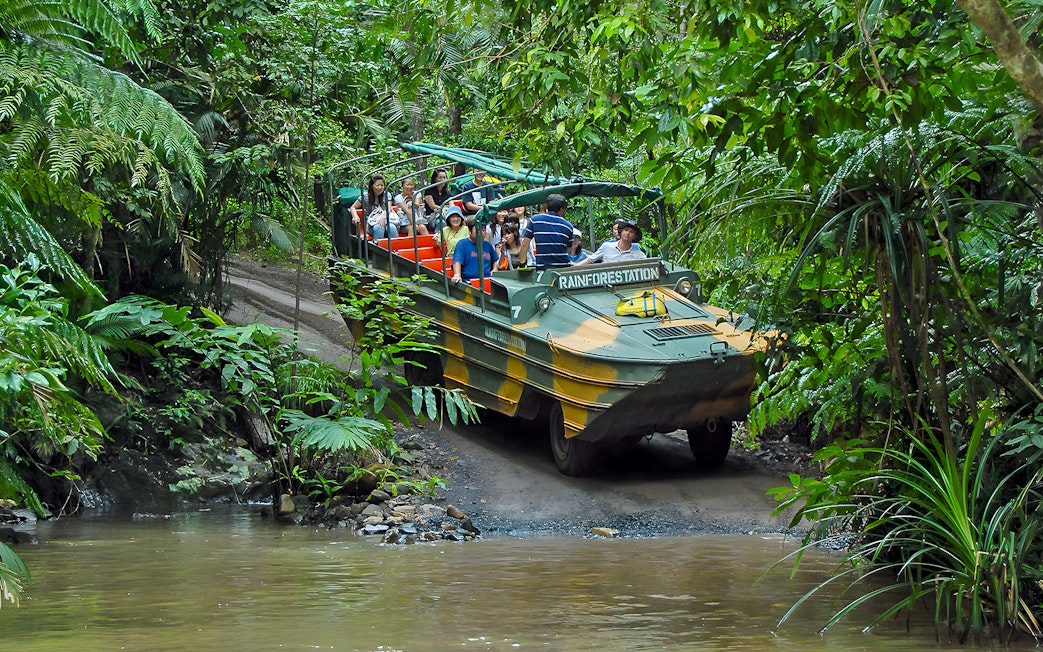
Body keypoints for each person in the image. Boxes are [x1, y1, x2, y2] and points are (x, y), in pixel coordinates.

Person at [520, 193, 575, 270]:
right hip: (563, 269)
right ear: (561, 209)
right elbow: (569, 249)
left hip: (543, 268)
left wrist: (522, 264)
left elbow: (525, 244)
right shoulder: (568, 226)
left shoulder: (535, 220)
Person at [351, 174, 398, 239]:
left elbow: (388, 209)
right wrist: (355, 216)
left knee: (391, 227)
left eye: (382, 185)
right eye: (377, 185)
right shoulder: (365, 196)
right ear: (372, 186)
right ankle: (379, 247)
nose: (380, 188)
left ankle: (395, 247)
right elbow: (353, 207)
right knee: (379, 228)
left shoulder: (386, 195)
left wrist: (384, 216)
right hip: (372, 223)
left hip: (387, 220)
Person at [579, 220, 646, 264]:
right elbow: (591, 259)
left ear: (635, 236)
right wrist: (576, 266)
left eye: (631, 232)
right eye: (626, 230)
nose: (627, 233)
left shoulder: (639, 256)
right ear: (621, 231)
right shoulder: (606, 246)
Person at [451, 219, 497, 283]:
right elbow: (457, 261)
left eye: (483, 230)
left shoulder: (488, 245)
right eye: (477, 230)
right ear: (470, 231)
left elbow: (495, 260)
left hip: (487, 281)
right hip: (469, 281)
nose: (481, 232)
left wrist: (495, 269)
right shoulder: (462, 244)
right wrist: (457, 275)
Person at [424, 167, 452, 232]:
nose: (442, 180)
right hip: (432, 217)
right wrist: (444, 208)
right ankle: (438, 239)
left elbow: (451, 205)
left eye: (444, 178)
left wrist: (445, 208)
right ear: (435, 179)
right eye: (440, 178)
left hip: (445, 215)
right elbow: (432, 206)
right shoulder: (429, 191)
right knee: (441, 222)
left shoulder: (447, 193)